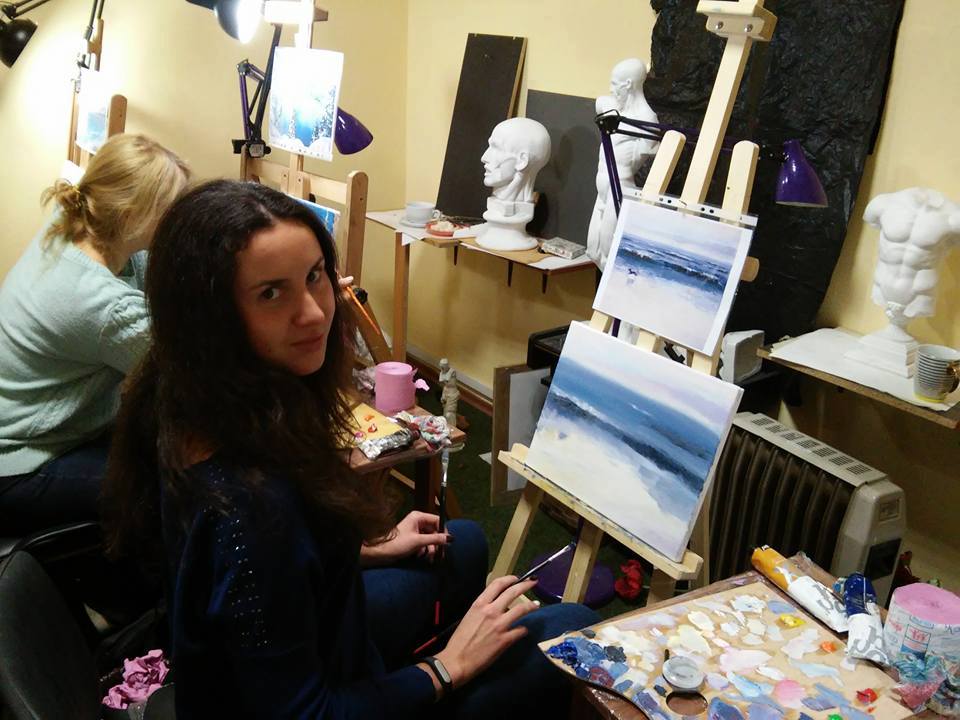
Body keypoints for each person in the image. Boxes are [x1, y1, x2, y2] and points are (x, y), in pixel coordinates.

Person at [101, 180, 598, 718]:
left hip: (307, 646)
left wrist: (366, 547)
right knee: (569, 627)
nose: (315, 313)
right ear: (210, 315)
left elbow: (255, 584)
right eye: (271, 294)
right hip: (309, 704)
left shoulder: (190, 396)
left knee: (466, 543)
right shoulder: (252, 509)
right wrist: (447, 667)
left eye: (314, 276)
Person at [0, 133, 190, 534]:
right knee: (177, 485)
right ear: (133, 217)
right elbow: (194, 374)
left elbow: (150, 270)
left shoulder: (69, 220)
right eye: (172, 208)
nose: (179, 219)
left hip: (18, 423)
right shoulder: (105, 307)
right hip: (17, 462)